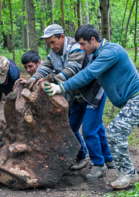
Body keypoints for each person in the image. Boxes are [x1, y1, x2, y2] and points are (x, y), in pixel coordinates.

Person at [44, 24, 139, 189]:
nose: (81, 48)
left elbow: (87, 75)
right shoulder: (97, 55)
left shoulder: (111, 51)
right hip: (129, 101)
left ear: (92, 39)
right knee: (110, 132)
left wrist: (61, 87)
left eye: (82, 44)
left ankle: (128, 174)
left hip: (136, 98)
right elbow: (83, 75)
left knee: (114, 133)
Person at [29, 24, 114, 180]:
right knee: (72, 127)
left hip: (92, 93)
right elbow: (46, 66)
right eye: (48, 43)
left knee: (89, 130)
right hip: (75, 96)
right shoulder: (53, 52)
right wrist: (34, 78)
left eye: (53, 42)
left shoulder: (76, 47)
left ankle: (99, 165)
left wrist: (55, 81)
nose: (51, 46)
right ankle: (90, 157)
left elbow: (72, 69)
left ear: (62, 36)